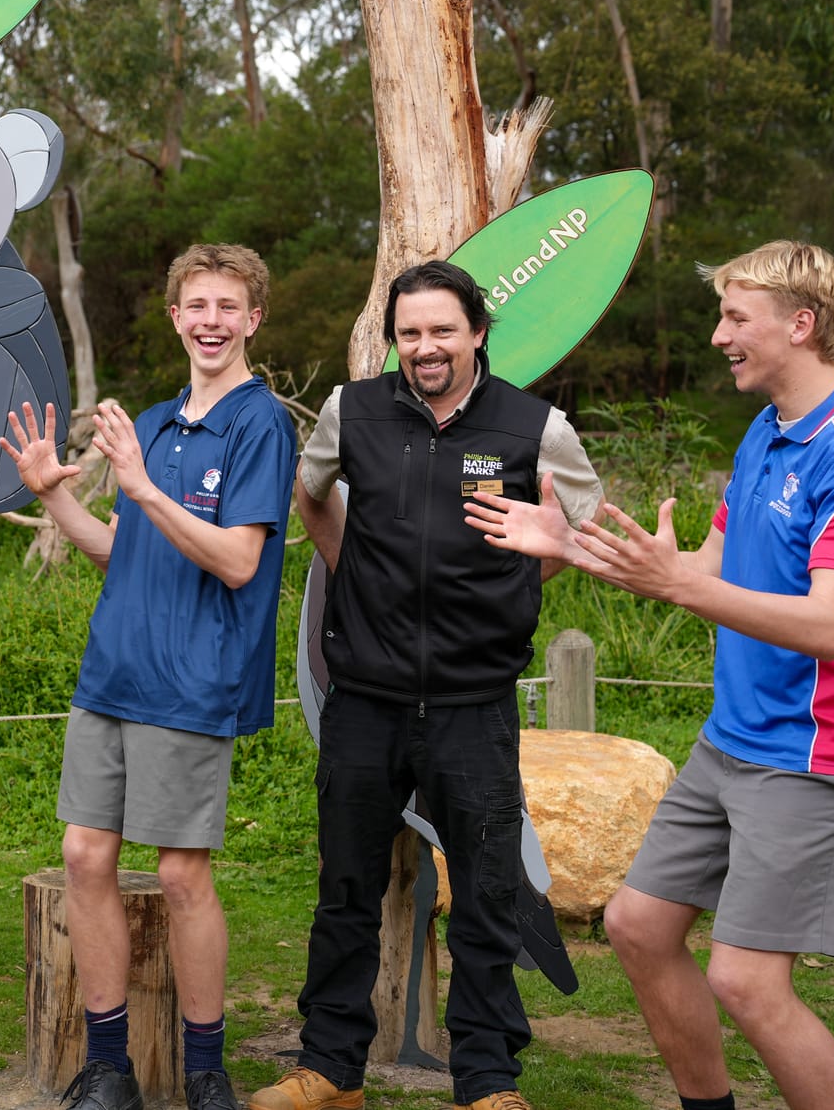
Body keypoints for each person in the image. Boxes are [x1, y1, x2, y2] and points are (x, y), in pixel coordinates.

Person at [468, 240, 834, 1110]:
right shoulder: (765, 433)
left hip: (807, 755)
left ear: (801, 325)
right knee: (638, 927)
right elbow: (705, 575)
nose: (719, 334)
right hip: (729, 740)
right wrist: (567, 543)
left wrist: (684, 579)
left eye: (734, 317)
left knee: (751, 981)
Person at [254, 260, 603, 1110]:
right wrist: (350, 570)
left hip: (472, 704)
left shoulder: (536, 425)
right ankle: (332, 1069)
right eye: (410, 333)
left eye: (442, 330)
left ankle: (486, 1079)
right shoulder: (352, 410)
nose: (425, 347)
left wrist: (522, 582)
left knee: (484, 895)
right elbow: (312, 495)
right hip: (364, 700)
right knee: (346, 889)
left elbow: (580, 530)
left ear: (478, 331)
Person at [0, 243, 298, 1110]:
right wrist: (56, 494)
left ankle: (206, 1072)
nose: (210, 320)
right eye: (195, 304)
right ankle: (108, 1066)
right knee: (84, 855)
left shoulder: (260, 422)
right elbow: (121, 548)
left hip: (194, 680)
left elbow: (240, 561)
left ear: (253, 319)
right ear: (175, 316)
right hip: (111, 676)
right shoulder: (158, 421)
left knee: (179, 875)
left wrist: (143, 488)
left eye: (227, 306)